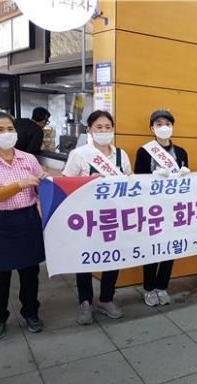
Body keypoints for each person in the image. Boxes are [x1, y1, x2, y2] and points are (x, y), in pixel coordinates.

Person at [0, 112, 46, 340]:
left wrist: (44, 182)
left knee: (30, 273)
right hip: (0, 223)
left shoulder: (28, 159)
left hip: (28, 219)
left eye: (10, 129)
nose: (6, 133)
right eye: (0, 130)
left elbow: (40, 187)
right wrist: (20, 184)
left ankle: (31, 313)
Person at [62, 110, 131, 324]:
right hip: (88, 218)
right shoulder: (79, 154)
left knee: (113, 257)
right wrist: (87, 182)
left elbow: (131, 183)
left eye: (107, 127)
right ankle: (85, 302)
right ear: (90, 130)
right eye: (99, 127)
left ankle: (106, 298)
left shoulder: (121, 155)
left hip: (114, 216)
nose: (103, 131)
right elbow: (65, 186)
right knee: (85, 260)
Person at [134, 109, 190, 306]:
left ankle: (162, 286)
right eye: (159, 124)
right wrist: (154, 177)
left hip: (174, 208)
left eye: (167, 124)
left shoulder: (181, 153)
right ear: (152, 128)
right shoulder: (144, 151)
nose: (164, 127)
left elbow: (186, 182)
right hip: (152, 209)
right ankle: (149, 288)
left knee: (170, 247)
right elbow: (139, 181)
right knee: (152, 248)